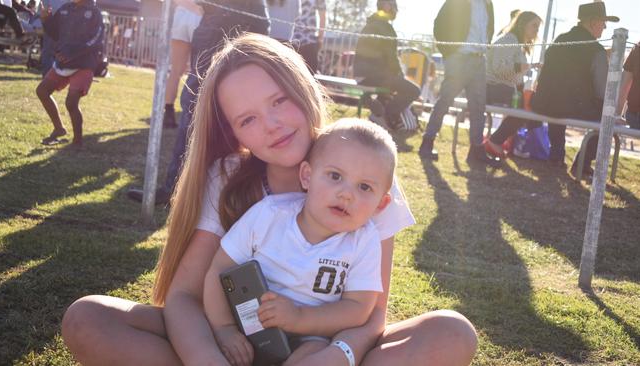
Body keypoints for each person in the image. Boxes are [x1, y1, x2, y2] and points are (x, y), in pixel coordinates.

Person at [61, 33, 478, 366]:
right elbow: (185, 297)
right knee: (89, 319)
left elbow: (371, 314)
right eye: (248, 119)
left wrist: (339, 355)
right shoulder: (226, 176)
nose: (272, 125)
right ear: (234, 132)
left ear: (302, 88)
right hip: (237, 345)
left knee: (451, 332)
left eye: (278, 100)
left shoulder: (364, 171)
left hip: (324, 348)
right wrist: (209, 356)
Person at [204, 119, 395, 365]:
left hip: (312, 335)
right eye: (335, 176)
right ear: (307, 176)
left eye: (365, 187)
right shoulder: (268, 215)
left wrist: (299, 318)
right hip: (248, 324)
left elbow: (358, 308)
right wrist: (224, 328)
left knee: (315, 355)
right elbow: (220, 269)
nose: (346, 193)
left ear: (380, 204)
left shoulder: (364, 241)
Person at [126, 0, 270, 205]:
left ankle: (235, 194)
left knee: (239, 122)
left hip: (243, 34)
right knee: (192, 114)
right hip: (211, 31)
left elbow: (261, 25)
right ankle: (174, 189)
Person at [531, 2, 619, 177]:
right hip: (575, 107)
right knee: (607, 118)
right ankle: (582, 163)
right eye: (603, 22)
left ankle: (556, 157)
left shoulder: (559, 41)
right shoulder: (597, 50)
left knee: (558, 102)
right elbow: (602, 90)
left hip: (545, 103)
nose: (605, 27)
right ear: (593, 22)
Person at [418, 0, 501, 167]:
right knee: (445, 101)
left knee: (478, 107)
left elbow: (488, 29)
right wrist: (450, 53)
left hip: (479, 60)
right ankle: (427, 142)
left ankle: (476, 150)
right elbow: (439, 24)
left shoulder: (488, 4)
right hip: (459, 59)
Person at [35, 0, 104, 148]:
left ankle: (77, 142)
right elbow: (54, 33)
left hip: (84, 64)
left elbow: (96, 40)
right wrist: (45, 19)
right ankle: (59, 129)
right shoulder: (65, 8)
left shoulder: (95, 13)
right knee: (42, 91)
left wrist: (72, 52)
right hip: (63, 62)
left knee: (71, 103)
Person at [482, 11, 543, 157]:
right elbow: (499, 68)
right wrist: (525, 66)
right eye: (534, 25)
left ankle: (499, 141)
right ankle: (495, 141)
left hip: (499, 88)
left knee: (528, 104)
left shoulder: (516, 43)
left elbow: (511, 74)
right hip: (490, 87)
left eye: (538, 27)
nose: (536, 30)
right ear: (522, 25)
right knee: (526, 107)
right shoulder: (510, 39)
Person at [353, 0, 420, 130]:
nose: (396, 11)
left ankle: (379, 114)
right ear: (387, 6)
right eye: (395, 7)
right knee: (413, 90)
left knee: (392, 85)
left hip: (360, 75)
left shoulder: (370, 24)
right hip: (374, 76)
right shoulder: (386, 28)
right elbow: (392, 59)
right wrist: (400, 76)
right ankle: (386, 115)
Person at [162, 0, 203, 129]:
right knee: (200, 70)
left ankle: (168, 113)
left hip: (181, 13)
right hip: (200, 14)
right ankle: (195, 115)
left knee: (175, 71)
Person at [292, 0, 326, 74]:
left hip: (292, 39)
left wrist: (320, 38)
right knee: (309, 76)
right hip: (308, 41)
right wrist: (320, 38)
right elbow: (322, 16)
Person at [38, 0, 69, 76]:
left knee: (64, 53)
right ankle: (48, 76)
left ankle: (57, 75)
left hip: (68, 26)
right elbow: (42, 10)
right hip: (51, 24)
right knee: (48, 52)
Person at [616, 42, 640, 129]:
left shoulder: (637, 49)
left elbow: (625, 85)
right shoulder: (637, 49)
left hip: (634, 115)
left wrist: (617, 115)